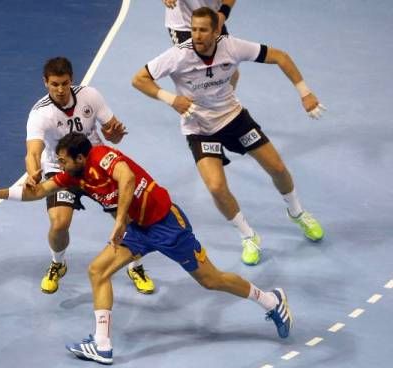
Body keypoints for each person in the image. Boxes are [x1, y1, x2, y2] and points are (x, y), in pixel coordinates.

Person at [0, 132, 292, 365]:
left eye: (63, 159)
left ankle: (270, 300)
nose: (59, 164)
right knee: (97, 270)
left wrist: (120, 220)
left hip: (167, 224)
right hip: (137, 231)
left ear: (81, 158)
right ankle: (102, 344)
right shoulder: (72, 176)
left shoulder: (102, 157)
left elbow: (126, 179)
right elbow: (37, 192)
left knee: (211, 280)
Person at [132, 7, 325, 266]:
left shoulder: (232, 47)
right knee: (216, 187)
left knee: (277, 167)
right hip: (199, 128)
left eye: (203, 30)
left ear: (215, 32)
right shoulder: (178, 55)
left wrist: (305, 93)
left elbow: (280, 56)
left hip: (233, 118)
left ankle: (297, 212)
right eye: (193, 29)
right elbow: (139, 79)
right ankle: (248, 236)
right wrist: (171, 99)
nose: (197, 35)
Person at [25, 57, 155, 294]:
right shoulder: (40, 114)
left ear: (71, 80)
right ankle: (58, 263)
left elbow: (114, 135)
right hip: (60, 168)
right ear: (45, 82)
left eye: (64, 83)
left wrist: (115, 135)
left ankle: (135, 266)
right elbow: (33, 152)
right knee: (59, 223)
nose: (61, 90)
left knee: (127, 219)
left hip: (95, 164)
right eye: (54, 84)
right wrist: (33, 171)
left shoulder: (90, 96)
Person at [163, 0, 240, 87]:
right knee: (197, 81)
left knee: (232, 74)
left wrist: (223, 13)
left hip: (212, 19)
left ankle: (225, 99)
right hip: (184, 25)